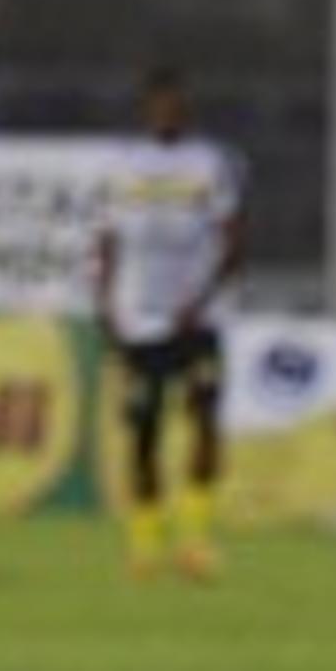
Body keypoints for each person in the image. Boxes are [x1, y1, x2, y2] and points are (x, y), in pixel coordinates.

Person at [91, 66, 243, 579]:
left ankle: (197, 541)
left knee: (204, 421)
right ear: (146, 109)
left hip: (198, 318)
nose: (167, 113)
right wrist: (105, 306)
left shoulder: (209, 163)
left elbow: (233, 238)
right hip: (141, 317)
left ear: (187, 109)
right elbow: (107, 240)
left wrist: (200, 302)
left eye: (175, 105)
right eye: (159, 105)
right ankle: (145, 546)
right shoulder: (123, 167)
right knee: (144, 433)